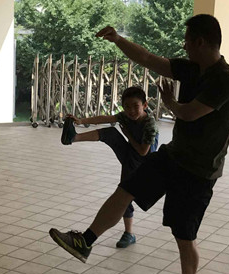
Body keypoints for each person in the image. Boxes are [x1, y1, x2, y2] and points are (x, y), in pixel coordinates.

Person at [49, 15, 229, 274]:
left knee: (184, 233)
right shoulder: (192, 68)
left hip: (200, 170)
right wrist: (118, 40)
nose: (184, 46)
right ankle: (85, 241)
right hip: (173, 155)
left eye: (187, 41)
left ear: (201, 41)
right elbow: (148, 59)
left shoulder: (225, 79)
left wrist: (170, 102)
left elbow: (189, 113)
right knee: (127, 188)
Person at [60, 86, 159, 248]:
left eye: (136, 106)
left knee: (125, 195)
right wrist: (81, 121)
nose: (131, 110)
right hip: (130, 156)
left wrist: (127, 135)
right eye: (127, 107)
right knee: (110, 133)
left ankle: (129, 233)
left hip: (142, 163)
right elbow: (105, 118)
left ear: (145, 105)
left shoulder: (150, 125)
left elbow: (143, 151)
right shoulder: (125, 116)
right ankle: (73, 137)